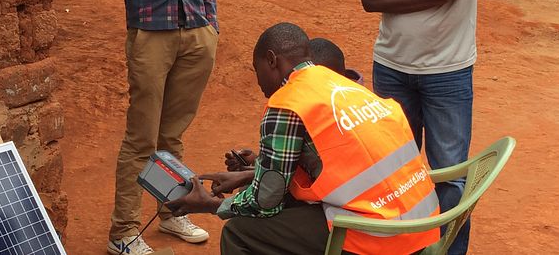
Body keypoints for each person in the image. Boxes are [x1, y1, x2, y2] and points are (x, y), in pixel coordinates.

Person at [167, 22, 439, 255]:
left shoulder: (287, 103)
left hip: (380, 236)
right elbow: (339, 163)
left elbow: (266, 202)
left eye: (256, 69)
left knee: (240, 233)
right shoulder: (342, 84)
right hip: (420, 221)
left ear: (272, 60)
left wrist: (211, 205)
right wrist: (251, 173)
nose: (259, 81)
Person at [349, 0, 484, 254]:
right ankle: (401, 248)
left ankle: (446, 252)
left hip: (449, 69)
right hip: (392, 67)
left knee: (449, 175)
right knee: (392, 172)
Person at [85, 0, 218, 253]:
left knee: (172, 135)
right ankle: (123, 232)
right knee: (141, 138)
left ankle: (171, 213)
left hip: (195, 29)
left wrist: (210, 21)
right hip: (150, 30)